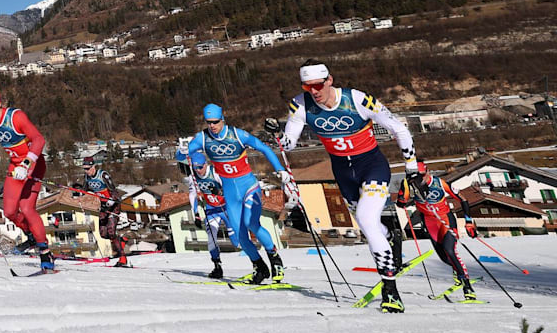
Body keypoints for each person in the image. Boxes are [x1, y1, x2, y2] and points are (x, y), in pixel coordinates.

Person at [280, 59, 417, 313]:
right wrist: (279, 137)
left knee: (366, 218)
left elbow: (399, 129)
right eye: (307, 86)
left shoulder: (357, 100)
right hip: (343, 173)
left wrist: (412, 168)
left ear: (330, 80)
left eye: (318, 85)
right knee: (370, 225)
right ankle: (391, 236)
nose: (314, 91)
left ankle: (391, 290)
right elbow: (288, 144)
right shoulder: (300, 104)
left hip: (372, 165)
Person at [177, 103, 287, 284]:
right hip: (230, 192)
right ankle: (259, 267)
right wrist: (181, 151)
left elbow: (264, 148)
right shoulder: (202, 138)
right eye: (208, 122)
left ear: (222, 119)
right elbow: (181, 157)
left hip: (249, 187)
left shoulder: (237, 134)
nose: (212, 125)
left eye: (215, 122)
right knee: (239, 233)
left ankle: (274, 258)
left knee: (251, 223)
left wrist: (280, 169)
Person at [0, 87, 55, 273]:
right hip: (15, 167)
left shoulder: (16, 117)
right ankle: (30, 234)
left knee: (27, 208)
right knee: (9, 211)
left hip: (33, 164)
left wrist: (27, 163)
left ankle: (44, 251)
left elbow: (39, 140)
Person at [396, 162, 478, 300]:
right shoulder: (409, 185)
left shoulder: (439, 182)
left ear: (428, 172)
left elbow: (463, 199)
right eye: (415, 176)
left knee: (450, 250)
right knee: (444, 257)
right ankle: (457, 271)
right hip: (430, 223)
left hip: (446, 219)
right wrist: (402, 191)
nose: (419, 179)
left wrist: (468, 222)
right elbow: (400, 204)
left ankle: (467, 287)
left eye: (421, 175)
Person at [188, 151, 232, 279]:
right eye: (195, 168)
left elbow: (229, 188)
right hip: (211, 210)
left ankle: (256, 265)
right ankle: (217, 267)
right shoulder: (193, 178)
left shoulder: (215, 172)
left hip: (225, 209)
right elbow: (192, 195)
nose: (198, 171)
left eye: (200, 167)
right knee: (211, 238)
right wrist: (195, 213)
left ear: (206, 165)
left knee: (236, 241)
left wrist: (219, 191)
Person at [82, 157, 128, 267]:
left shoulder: (103, 175)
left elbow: (114, 191)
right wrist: (78, 193)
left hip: (113, 206)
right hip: (103, 207)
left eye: (88, 168)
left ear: (94, 166)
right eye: (84, 169)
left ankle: (123, 258)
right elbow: (84, 190)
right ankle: (120, 240)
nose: (86, 171)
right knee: (103, 234)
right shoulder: (87, 177)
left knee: (111, 232)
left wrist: (112, 200)